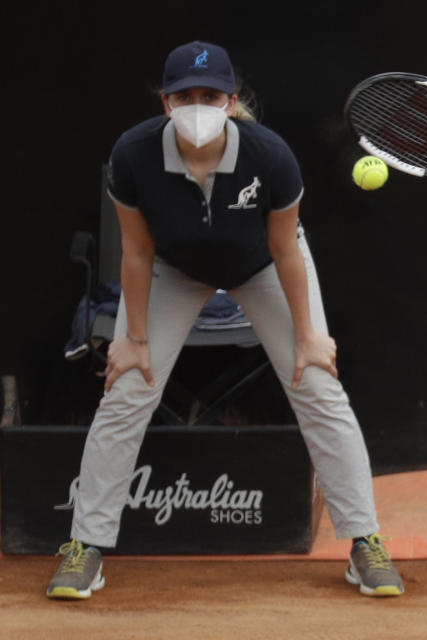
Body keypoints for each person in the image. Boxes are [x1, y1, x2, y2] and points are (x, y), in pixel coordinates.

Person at [46, 41, 403, 599]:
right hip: (173, 269)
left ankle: (365, 542)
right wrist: (134, 340)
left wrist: (309, 337)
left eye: (209, 95)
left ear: (232, 102)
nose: (197, 105)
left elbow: (287, 251)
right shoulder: (133, 154)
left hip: (262, 264)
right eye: (184, 96)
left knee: (317, 384)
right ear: (165, 103)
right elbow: (136, 252)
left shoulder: (270, 155)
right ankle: (84, 547)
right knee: (127, 388)